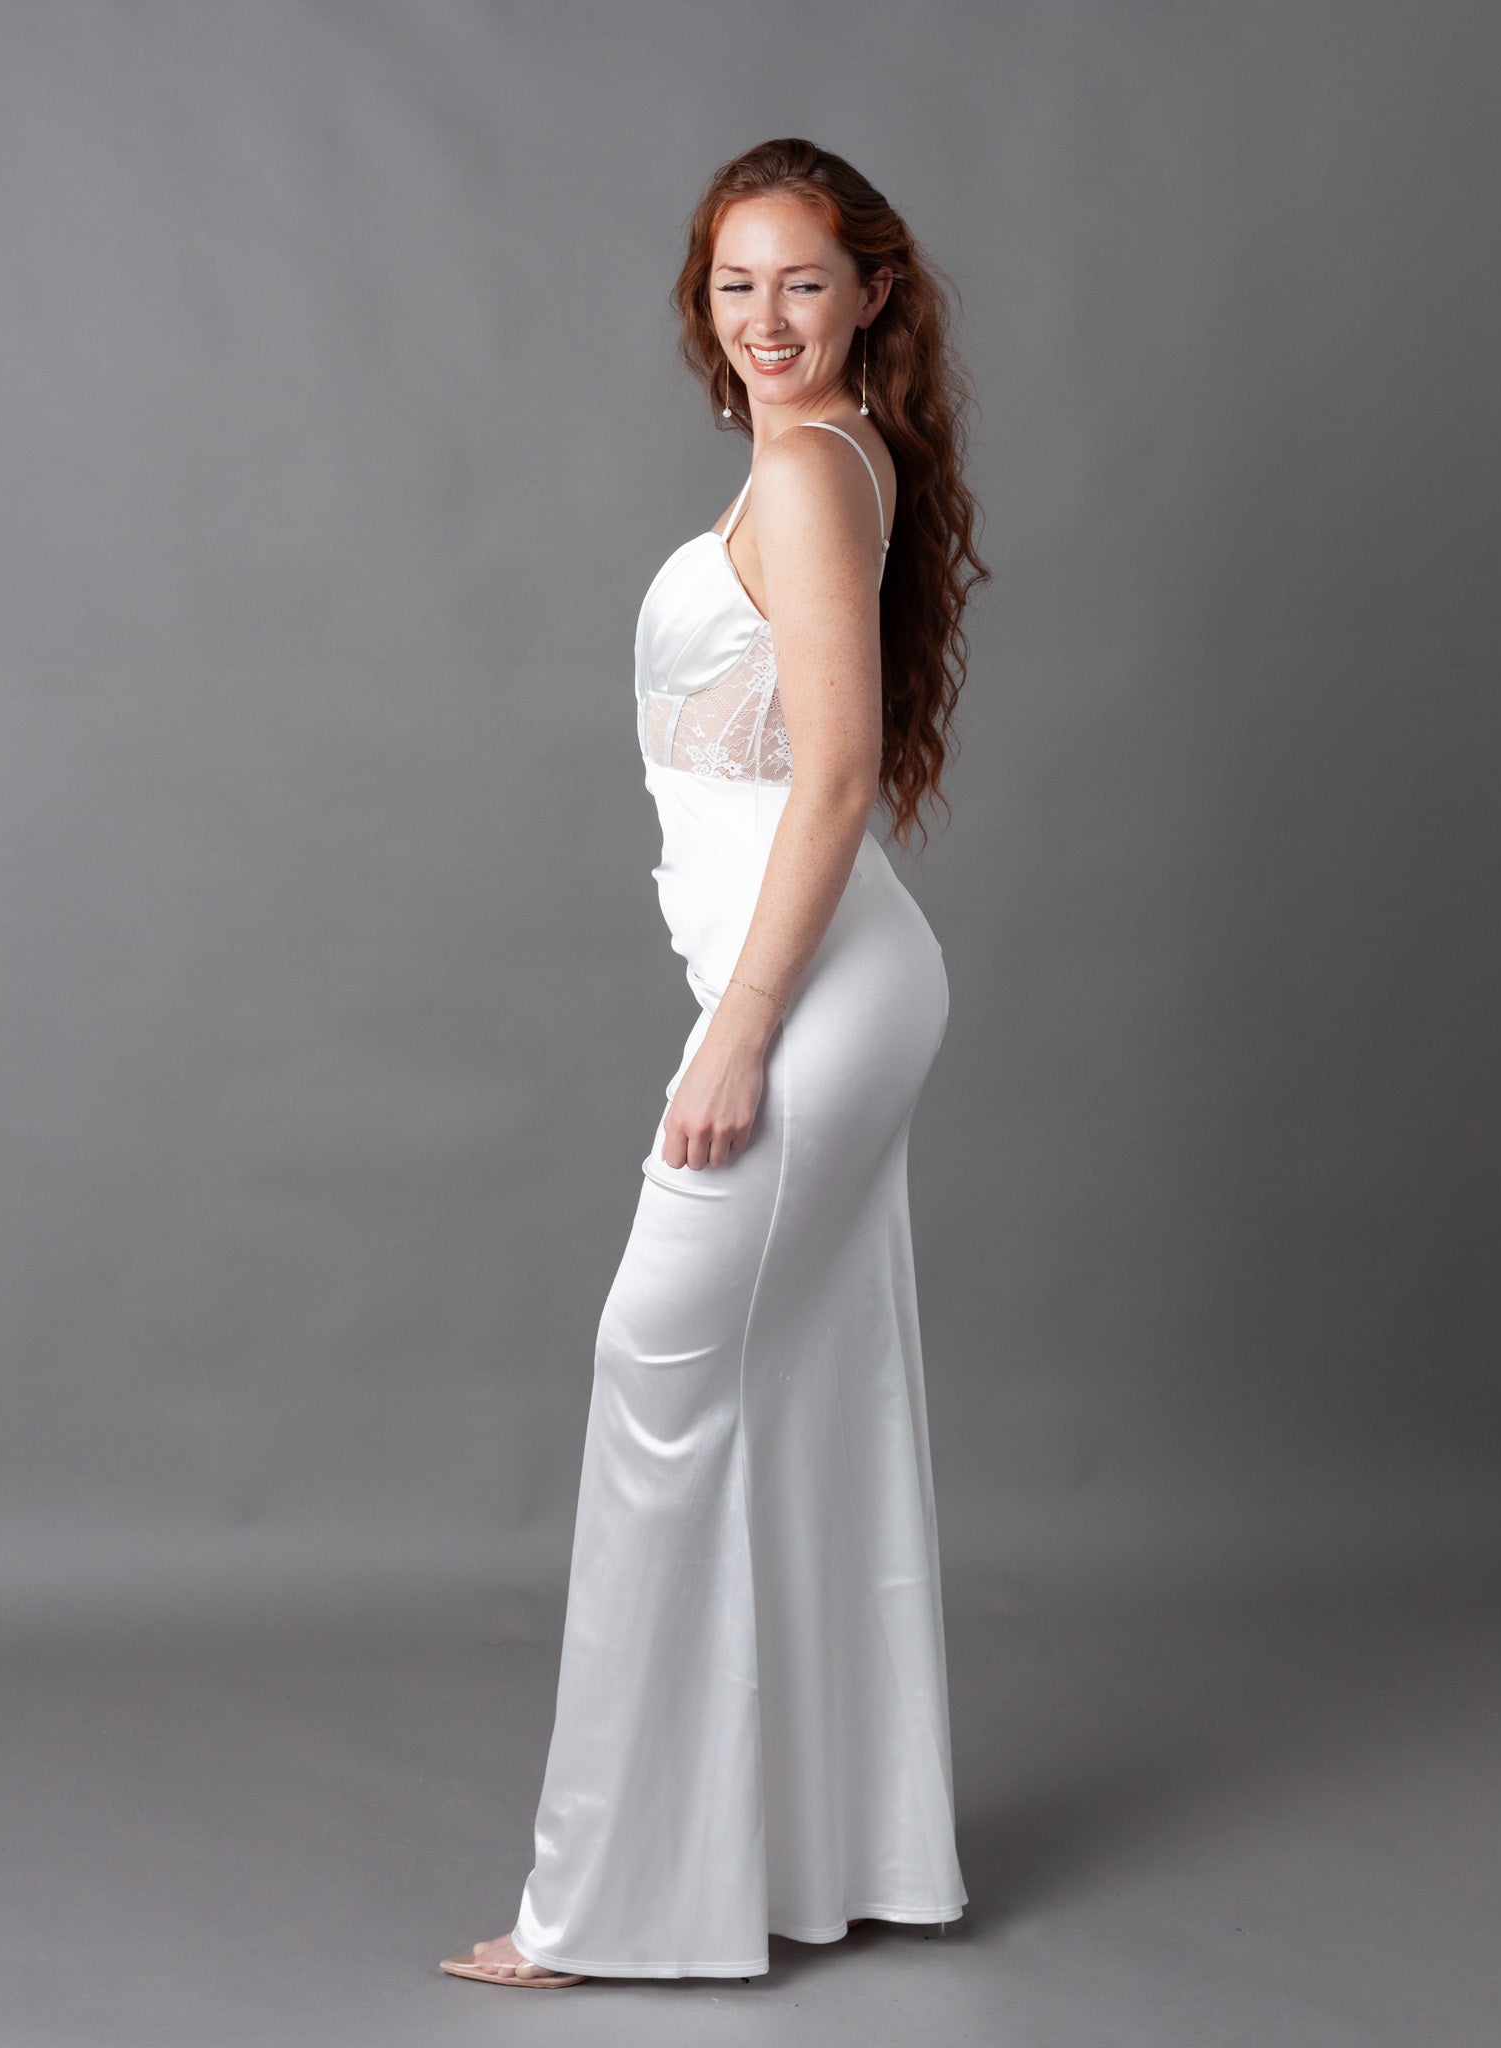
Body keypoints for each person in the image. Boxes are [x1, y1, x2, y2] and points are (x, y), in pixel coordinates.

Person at [439, 136, 989, 1989]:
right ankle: (824, 1861)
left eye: (801, 281)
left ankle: (603, 1903)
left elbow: (832, 782)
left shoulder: (816, 471)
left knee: (658, 1375)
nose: (765, 316)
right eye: (735, 283)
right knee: (797, 1393)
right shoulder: (814, 456)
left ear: (869, 294)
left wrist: (738, 1032)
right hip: (824, 976)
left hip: (812, 990)